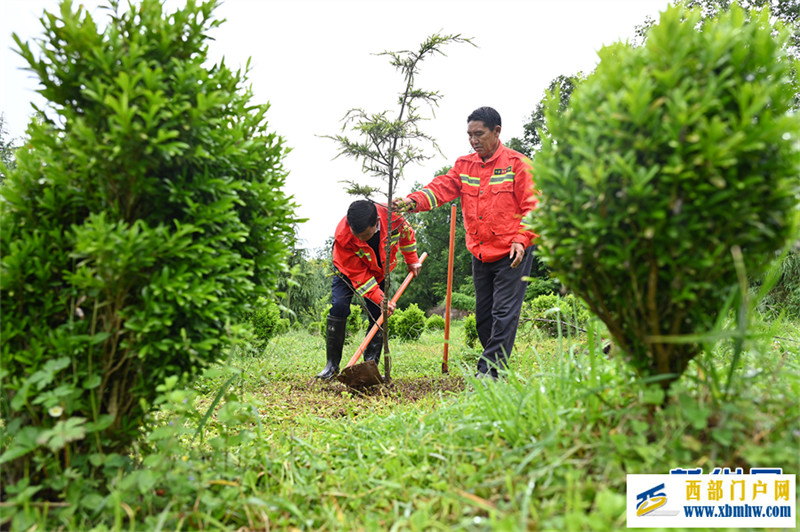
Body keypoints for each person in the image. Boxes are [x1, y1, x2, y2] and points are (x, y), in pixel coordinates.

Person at [393, 106, 538, 379]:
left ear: (497, 132)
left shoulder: (518, 164)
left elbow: (535, 207)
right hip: (480, 253)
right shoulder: (464, 166)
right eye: (469, 135)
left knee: (504, 312)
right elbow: (440, 189)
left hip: (513, 252)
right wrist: (411, 202)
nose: (473, 140)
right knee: (484, 317)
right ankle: (498, 368)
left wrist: (522, 238)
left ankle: (490, 373)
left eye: (479, 134)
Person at [316, 199, 422, 379]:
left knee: (378, 313)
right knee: (339, 306)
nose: (359, 238)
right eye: (356, 234)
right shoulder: (343, 234)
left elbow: (407, 235)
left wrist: (411, 259)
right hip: (347, 270)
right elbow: (359, 277)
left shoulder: (394, 217)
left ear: (377, 223)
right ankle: (331, 366)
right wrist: (381, 298)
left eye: (364, 235)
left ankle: (370, 365)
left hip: (379, 271)